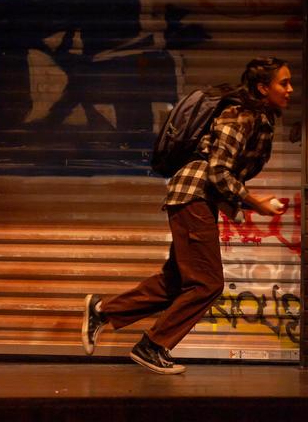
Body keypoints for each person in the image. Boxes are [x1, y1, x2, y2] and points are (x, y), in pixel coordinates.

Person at [81, 57, 293, 375]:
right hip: (193, 197)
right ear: (263, 88)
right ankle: (153, 346)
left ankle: (102, 311)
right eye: (283, 83)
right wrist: (253, 202)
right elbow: (218, 171)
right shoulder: (240, 116)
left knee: (176, 282)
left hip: (197, 198)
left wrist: (252, 203)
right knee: (207, 283)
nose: (290, 90)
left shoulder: (258, 118)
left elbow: (222, 174)